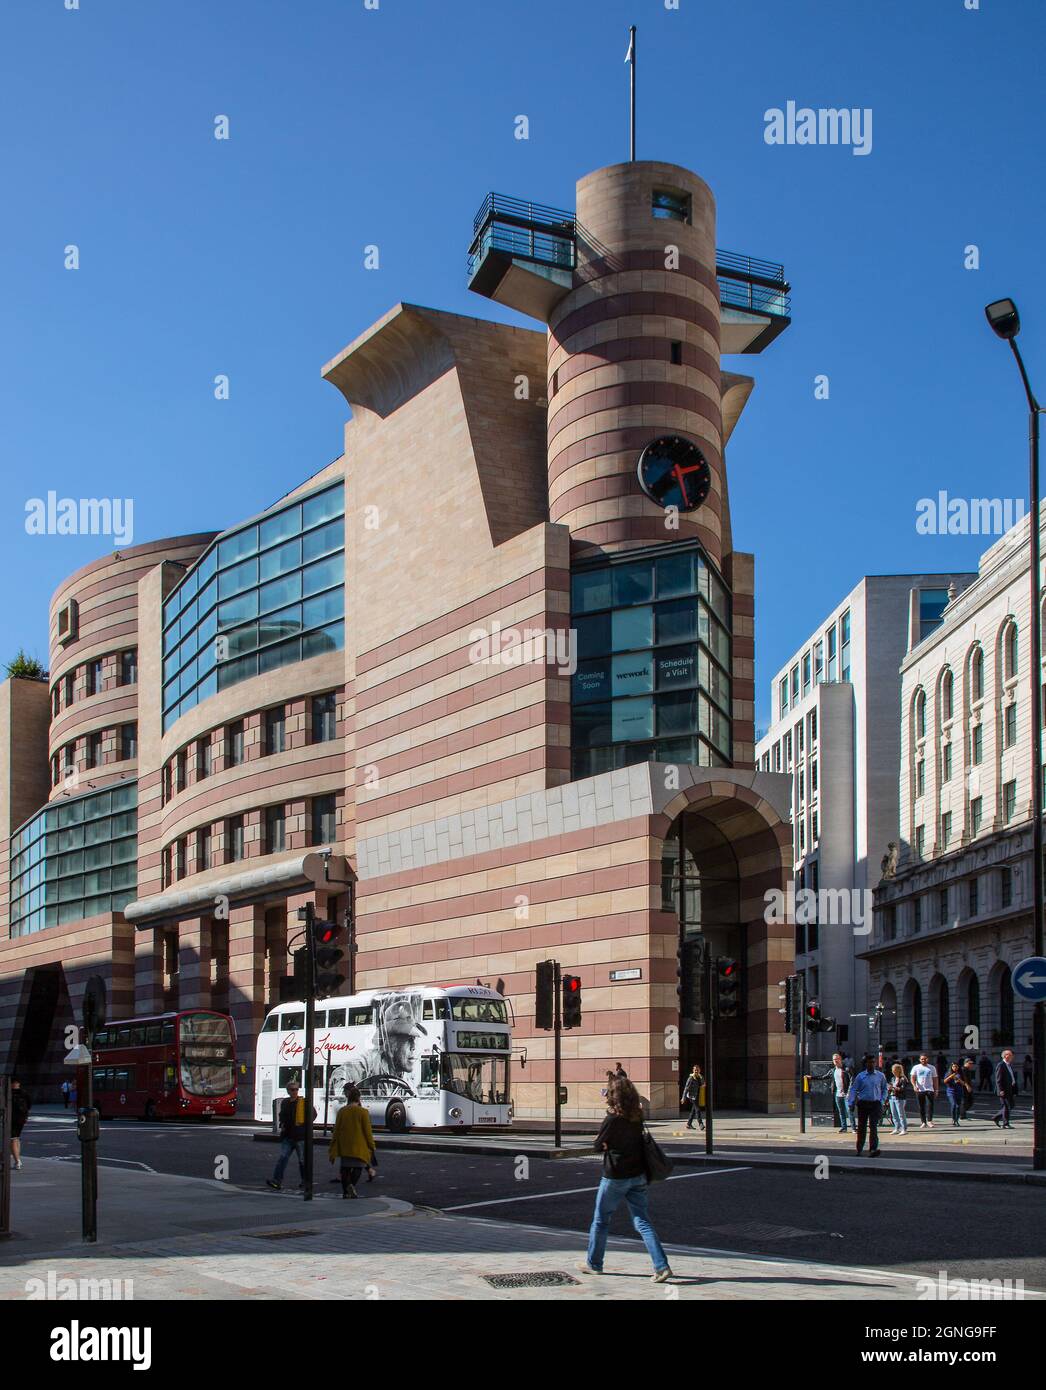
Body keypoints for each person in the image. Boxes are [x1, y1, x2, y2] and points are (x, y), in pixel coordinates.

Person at [579, 1077, 672, 1282]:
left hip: (615, 1176)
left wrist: (605, 1145)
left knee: (601, 1220)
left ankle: (594, 1264)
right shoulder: (637, 1116)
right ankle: (661, 1265)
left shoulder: (612, 1119)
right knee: (642, 1221)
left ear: (613, 1097)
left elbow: (597, 1145)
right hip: (638, 1175)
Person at [327, 1084, 377, 1198]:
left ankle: (345, 1192)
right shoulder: (363, 1112)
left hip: (345, 1145)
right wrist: (371, 1145)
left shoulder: (342, 1111)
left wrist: (333, 1145)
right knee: (358, 1168)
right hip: (359, 1146)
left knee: (345, 1169)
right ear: (358, 1098)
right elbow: (367, 1132)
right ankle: (351, 1186)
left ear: (348, 1098)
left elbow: (337, 1130)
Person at [265, 1080, 315, 1190]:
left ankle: (305, 1181)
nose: (295, 1091)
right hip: (288, 1136)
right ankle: (277, 1180)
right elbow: (282, 1115)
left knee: (302, 1160)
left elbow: (313, 1114)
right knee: (283, 1158)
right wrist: (282, 1124)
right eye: (292, 1089)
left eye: (296, 1089)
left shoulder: (303, 1102)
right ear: (288, 1091)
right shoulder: (285, 1102)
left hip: (300, 1136)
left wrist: (305, 1125)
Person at [846, 1056, 887, 1156]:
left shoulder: (880, 1076)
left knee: (873, 1127)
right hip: (863, 1103)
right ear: (866, 1064)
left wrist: (882, 1101)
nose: (871, 1064)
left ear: (875, 1063)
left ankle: (873, 1149)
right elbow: (854, 1089)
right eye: (869, 1062)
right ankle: (859, 1148)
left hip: (875, 1103)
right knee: (861, 1127)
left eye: (873, 1062)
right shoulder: (861, 1076)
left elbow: (884, 1089)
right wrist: (851, 1102)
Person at [822, 1052, 854, 1133]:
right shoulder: (833, 1070)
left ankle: (853, 1127)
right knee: (841, 1112)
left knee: (849, 1111)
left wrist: (849, 1092)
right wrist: (811, 1077)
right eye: (834, 1059)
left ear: (841, 1060)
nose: (836, 1061)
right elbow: (823, 1077)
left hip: (847, 1094)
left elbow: (852, 1079)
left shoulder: (846, 1069)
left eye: (837, 1059)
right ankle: (844, 1127)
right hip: (838, 1094)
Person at [909, 1054, 938, 1128]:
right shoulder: (916, 1067)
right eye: (922, 1059)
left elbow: (935, 1079)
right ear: (919, 1060)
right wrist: (914, 1086)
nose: (923, 1060)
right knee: (921, 1106)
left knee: (930, 1105)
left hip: (930, 1089)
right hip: (920, 1089)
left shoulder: (932, 1068)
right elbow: (912, 1077)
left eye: (925, 1059)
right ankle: (923, 1122)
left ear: (927, 1059)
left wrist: (936, 1090)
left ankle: (929, 1121)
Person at [992, 1049, 1018, 1130]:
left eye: (1012, 1055)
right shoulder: (1001, 1065)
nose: (1012, 1056)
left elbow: (1011, 1077)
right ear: (1005, 1056)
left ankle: (996, 1117)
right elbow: (998, 1079)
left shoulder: (1009, 1065)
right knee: (1006, 1106)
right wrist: (1000, 1090)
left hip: (1010, 1089)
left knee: (1011, 1105)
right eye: (1010, 1055)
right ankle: (1005, 1124)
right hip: (1003, 1090)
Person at [9, 1078, 31, 1170]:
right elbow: (29, 1105)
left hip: (11, 1118)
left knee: (12, 1139)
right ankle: (18, 1159)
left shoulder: (8, 1093)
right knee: (17, 1138)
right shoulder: (24, 1093)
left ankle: (17, 1161)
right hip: (21, 1118)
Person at [943, 1062, 969, 1127]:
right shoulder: (948, 1073)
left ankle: (956, 1120)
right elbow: (944, 1081)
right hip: (951, 1092)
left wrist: (959, 1080)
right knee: (954, 1105)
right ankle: (953, 1119)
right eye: (953, 1066)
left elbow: (964, 1083)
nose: (955, 1068)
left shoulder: (961, 1074)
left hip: (959, 1092)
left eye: (956, 1066)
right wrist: (950, 1077)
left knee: (958, 1106)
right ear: (951, 1067)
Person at [886, 1063, 909, 1135]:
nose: (892, 1071)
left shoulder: (903, 1078)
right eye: (892, 1070)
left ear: (898, 1070)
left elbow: (903, 1089)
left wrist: (893, 1088)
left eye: (894, 1070)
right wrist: (889, 1088)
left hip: (900, 1098)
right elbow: (890, 1086)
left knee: (901, 1114)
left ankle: (904, 1129)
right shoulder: (893, 1078)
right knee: (894, 1114)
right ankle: (896, 1128)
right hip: (892, 1097)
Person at [681, 1065, 704, 1130]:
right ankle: (700, 1123)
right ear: (693, 1070)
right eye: (695, 1070)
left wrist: (702, 1079)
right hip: (692, 1096)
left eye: (697, 1070)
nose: (696, 1071)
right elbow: (686, 1088)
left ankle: (688, 1124)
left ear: (699, 1070)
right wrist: (683, 1098)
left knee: (693, 1110)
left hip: (698, 1096)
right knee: (697, 1109)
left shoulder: (700, 1077)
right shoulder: (691, 1078)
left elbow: (703, 1084)